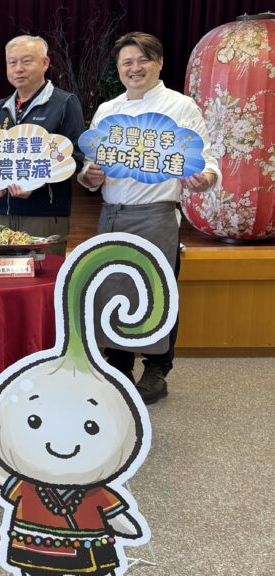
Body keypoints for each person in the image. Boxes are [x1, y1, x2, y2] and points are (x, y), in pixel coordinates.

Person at [78, 32, 220, 404]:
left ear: (159, 63)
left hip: (156, 215)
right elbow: (91, 168)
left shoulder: (180, 106)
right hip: (113, 215)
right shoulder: (108, 110)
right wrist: (90, 176)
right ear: (119, 68)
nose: (135, 68)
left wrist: (205, 177)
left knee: (158, 291)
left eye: (143, 60)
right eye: (127, 62)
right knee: (113, 290)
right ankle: (119, 366)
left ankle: (157, 370)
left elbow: (206, 160)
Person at [0, 35, 84, 256]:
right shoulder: (0, 108)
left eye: (26, 61)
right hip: (4, 212)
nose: (18, 68)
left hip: (45, 213)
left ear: (45, 63)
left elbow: (76, 158)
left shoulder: (64, 103)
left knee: (42, 273)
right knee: (5, 272)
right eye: (12, 62)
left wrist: (36, 183)